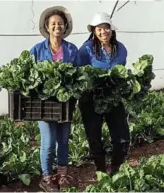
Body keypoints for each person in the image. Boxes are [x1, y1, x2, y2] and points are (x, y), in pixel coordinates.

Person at [30, 6, 78, 192]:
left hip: (65, 104)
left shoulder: (72, 49)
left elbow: (79, 75)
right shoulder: (37, 49)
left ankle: (62, 176)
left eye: (60, 23)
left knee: (64, 140)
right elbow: (28, 74)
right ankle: (47, 177)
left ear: (65, 27)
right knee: (48, 142)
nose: (57, 26)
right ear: (47, 27)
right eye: (53, 24)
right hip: (44, 104)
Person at [78, 12, 130, 176]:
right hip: (91, 99)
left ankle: (116, 168)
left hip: (113, 97)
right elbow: (78, 73)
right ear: (94, 31)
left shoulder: (120, 48)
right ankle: (100, 169)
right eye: (99, 29)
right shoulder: (86, 49)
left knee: (122, 135)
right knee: (94, 136)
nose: (103, 32)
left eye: (106, 28)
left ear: (112, 30)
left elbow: (121, 70)